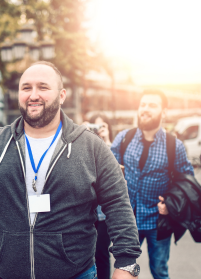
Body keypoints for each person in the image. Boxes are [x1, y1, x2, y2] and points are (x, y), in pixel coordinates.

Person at [0, 61, 142, 279]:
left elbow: (117, 203)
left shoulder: (92, 146)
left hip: (74, 274)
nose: (33, 95)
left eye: (43, 87)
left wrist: (127, 263)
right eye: (26, 88)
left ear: (62, 95)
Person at [110, 89, 194, 279]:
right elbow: (107, 175)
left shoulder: (174, 146)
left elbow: (187, 180)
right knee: (124, 272)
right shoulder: (124, 138)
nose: (145, 109)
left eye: (152, 105)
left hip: (159, 221)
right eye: (143, 105)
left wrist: (171, 204)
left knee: (159, 270)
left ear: (164, 112)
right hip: (127, 221)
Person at [83, 113, 113, 279]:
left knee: (101, 252)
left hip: (103, 214)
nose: (97, 130)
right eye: (94, 126)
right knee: (86, 253)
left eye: (101, 126)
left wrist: (106, 141)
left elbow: (116, 171)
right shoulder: (83, 145)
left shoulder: (112, 147)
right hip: (86, 211)